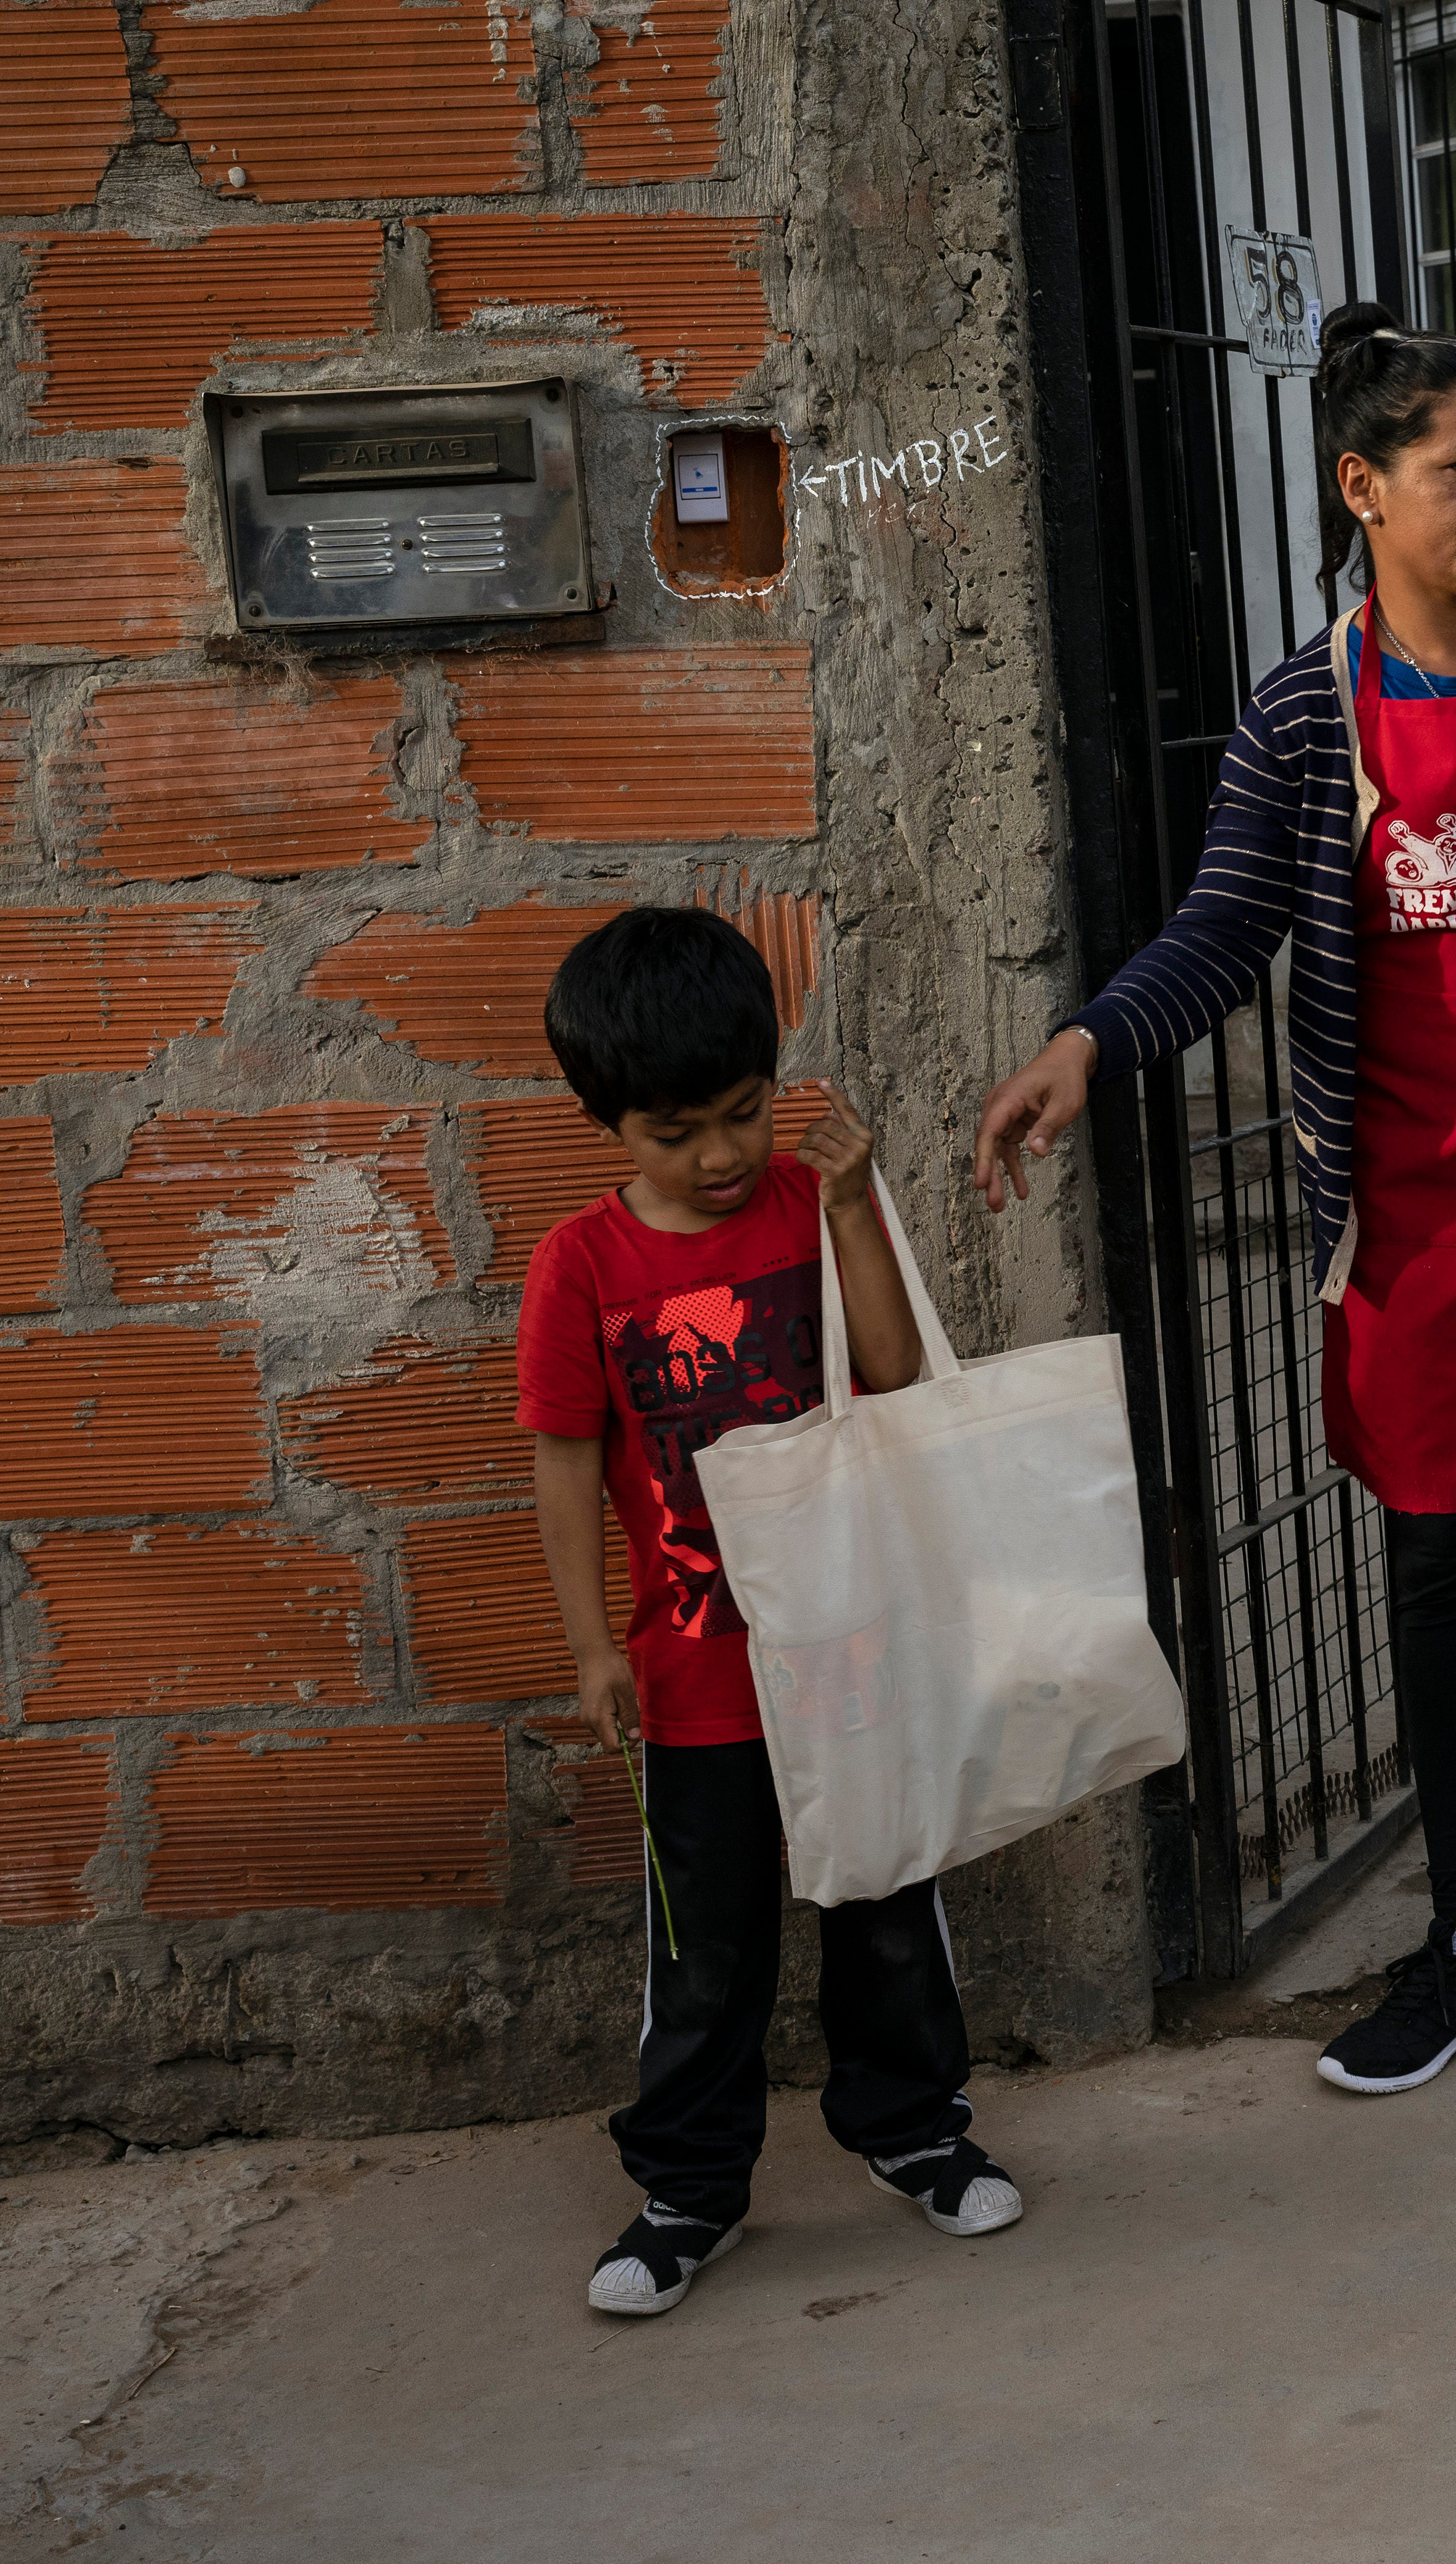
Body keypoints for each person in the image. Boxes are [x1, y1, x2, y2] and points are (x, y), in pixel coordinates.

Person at [974, 304, 1456, 2097]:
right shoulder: (1308, 716)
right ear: (1363, 488)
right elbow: (1227, 926)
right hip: (1423, 1215)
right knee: (1447, 1559)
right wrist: (1095, 1040)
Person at [520, 905, 1024, 2315]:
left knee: (883, 1901)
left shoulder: (808, 1204)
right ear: (609, 1121)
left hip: (850, 1651)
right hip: (690, 1680)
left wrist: (855, 1203)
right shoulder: (582, 1268)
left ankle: (914, 2131)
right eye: (675, 1133)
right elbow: (563, 1464)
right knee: (706, 1946)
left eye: (743, 1116)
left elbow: (888, 1363)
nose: (721, 1155)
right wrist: (586, 1645)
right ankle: (688, 2191)